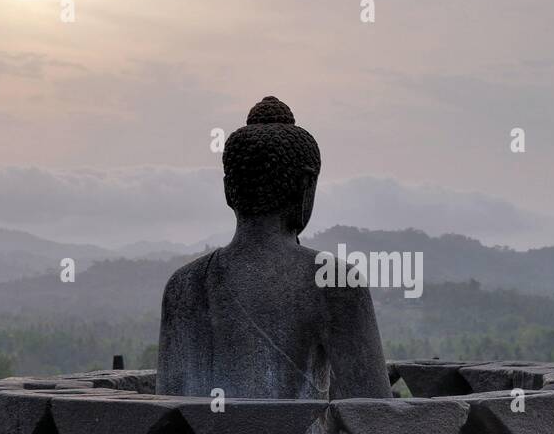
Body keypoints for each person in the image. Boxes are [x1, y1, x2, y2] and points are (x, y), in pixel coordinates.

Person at [157, 96, 391, 399]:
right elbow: (374, 416)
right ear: (306, 186)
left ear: (229, 189)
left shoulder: (183, 285)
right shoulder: (335, 281)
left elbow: (166, 414)